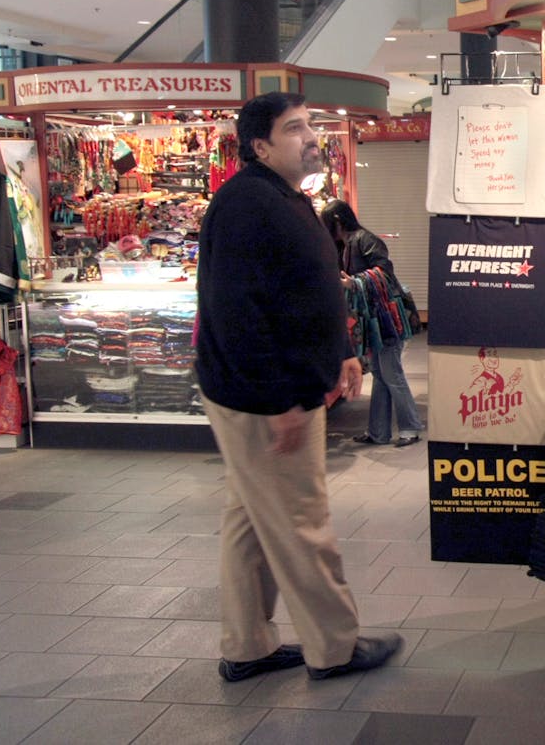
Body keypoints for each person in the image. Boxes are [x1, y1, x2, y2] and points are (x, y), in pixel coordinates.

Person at [195, 92, 402, 683]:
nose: (310, 136)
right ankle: (335, 647)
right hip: (264, 399)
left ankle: (247, 645)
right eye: (294, 129)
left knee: (250, 522)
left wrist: (341, 352)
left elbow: (305, 288)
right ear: (260, 146)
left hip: (271, 391)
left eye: (310, 124)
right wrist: (280, 399)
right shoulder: (245, 205)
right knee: (301, 522)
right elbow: (236, 314)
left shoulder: (283, 198)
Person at [321, 199, 425, 447]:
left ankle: (410, 428)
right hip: (376, 320)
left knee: (391, 373)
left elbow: (384, 272)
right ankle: (378, 432)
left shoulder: (364, 240)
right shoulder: (348, 245)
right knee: (381, 373)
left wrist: (353, 283)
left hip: (387, 319)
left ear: (336, 221)